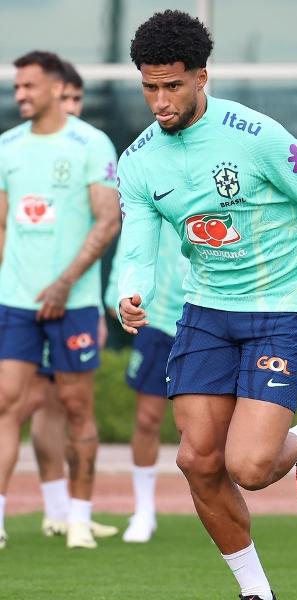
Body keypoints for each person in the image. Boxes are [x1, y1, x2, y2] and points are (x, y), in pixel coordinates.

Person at [117, 10, 297, 600]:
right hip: (206, 309)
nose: (160, 100)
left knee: (250, 469)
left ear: (203, 77)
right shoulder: (139, 160)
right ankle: (256, 591)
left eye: (172, 85)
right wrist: (131, 289)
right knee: (197, 460)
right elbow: (138, 242)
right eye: (149, 86)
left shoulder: (258, 138)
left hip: (282, 307)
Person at [0, 50, 120, 550]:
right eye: (17, 87)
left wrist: (65, 283)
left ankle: (78, 518)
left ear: (54, 87)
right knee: (6, 402)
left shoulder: (92, 143)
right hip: (17, 303)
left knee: (75, 406)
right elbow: (2, 224)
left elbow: (108, 220)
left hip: (74, 301)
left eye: (28, 86)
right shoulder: (6, 145)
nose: (20, 94)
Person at [105, 220, 187, 542]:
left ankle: (221, 507)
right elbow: (133, 247)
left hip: (207, 317)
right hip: (156, 319)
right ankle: (143, 510)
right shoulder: (152, 189)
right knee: (147, 418)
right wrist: (118, 295)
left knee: (207, 424)